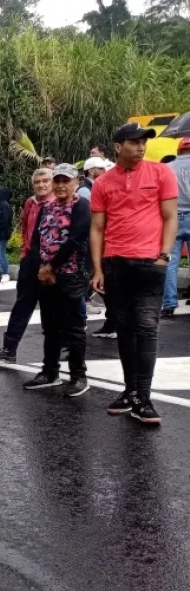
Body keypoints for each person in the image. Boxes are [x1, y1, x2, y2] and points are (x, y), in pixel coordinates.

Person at [91, 123, 179, 425]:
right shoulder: (103, 183)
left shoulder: (161, 173)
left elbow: (170, 217)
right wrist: (98, 268)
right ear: (118, 146)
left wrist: (164, 256)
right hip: (116, 263)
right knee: (125, 330)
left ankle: (144, 397)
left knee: (146, 329)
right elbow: (97, 228)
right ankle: (130, 392)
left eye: (143, 142)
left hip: (149, 263)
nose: (140, 147)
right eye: (134, 142)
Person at [22, 164, 92, 397]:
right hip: (46, 275)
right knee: (50, 326)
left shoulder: (81, 205)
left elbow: (76, 239)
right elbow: (35, 239)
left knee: (73, 328)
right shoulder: (47, 207)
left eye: (66, 181)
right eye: (58, 181)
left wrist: (51, 266)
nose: (61, 185)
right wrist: (41, 267)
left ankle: (79, 375)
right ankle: (50, 371)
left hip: (71, 274)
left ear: (76, 183)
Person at [0, 169, 55, 363]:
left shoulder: (56, 204)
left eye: (45, 181)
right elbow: (26, 227)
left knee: (50, 311)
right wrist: (25, 252)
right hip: (30, 259)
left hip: (49, 262)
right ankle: (9, 348)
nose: (41, 185)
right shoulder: (30, 202)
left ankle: (52, 358)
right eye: (38, 182)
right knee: (21, 305)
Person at [163, 137, 190, 317]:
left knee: (170, 263)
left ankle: (169, 304)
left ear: (179, 150)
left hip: (172, 218)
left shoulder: (167, 168)